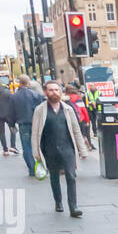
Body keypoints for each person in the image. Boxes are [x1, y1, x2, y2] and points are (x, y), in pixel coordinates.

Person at [30, 80, 85, 217]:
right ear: (45, 92)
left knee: (71, 176)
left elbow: (76, 130)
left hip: (67, 149)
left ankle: (73, 207)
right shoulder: (40, 110)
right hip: (50, 149)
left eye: (56, 90)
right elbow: (35, 132)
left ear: (60, 92)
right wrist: (36, 152)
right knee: (54, 177)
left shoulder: (68, 109)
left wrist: (82, 150)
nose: (54, 92)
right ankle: (58, 201)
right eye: (50, 90)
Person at [11, 74, 44, 176]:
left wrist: (12, 124)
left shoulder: (14, 97)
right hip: (36, 123)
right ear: (28, 82)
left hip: (23, 124)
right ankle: (42, 167)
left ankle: (32, 169)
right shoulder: (36, 95)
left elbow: (11, 112)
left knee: (27, 147)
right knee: (39, 145)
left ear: (19, 83)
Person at [65, 85, 93, 153]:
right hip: (80, 118)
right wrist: (87, 120)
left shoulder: (66, 99)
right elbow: (84, 110)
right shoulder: (78, 98)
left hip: (70, 119)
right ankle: (87, 146)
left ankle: (78, 149)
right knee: (82, 134)